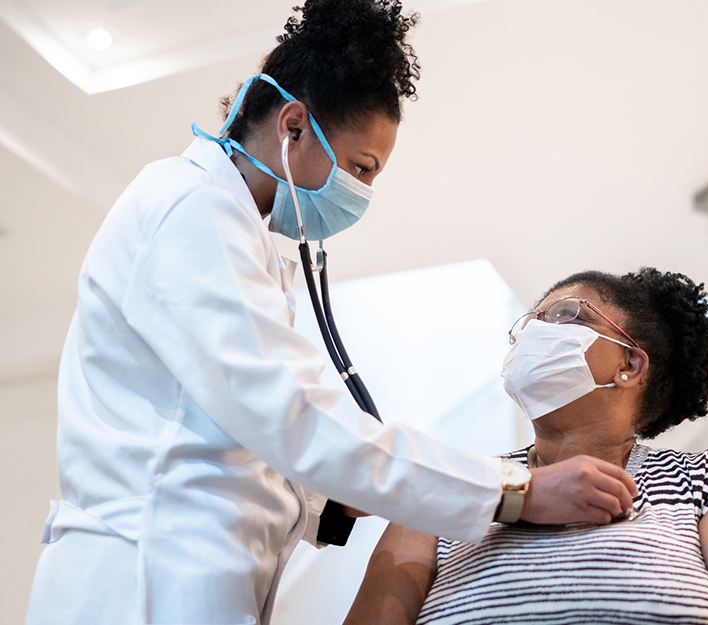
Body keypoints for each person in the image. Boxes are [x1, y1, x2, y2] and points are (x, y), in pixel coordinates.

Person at [24, 2, 637, 623]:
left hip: (191, 575)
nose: (361, 194)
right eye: (360, 168)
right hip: (143, 581)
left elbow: (241, 434)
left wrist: (332, 501)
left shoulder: (240, 234)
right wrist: (516, 492)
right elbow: (294, 416)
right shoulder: (189, 210)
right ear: (293, 125)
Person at [345, 268, 708, 625]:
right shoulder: (443, 482)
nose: (532, 332)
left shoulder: (706, 481)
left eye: (561, 315)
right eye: (527, 323)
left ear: (630, 365)